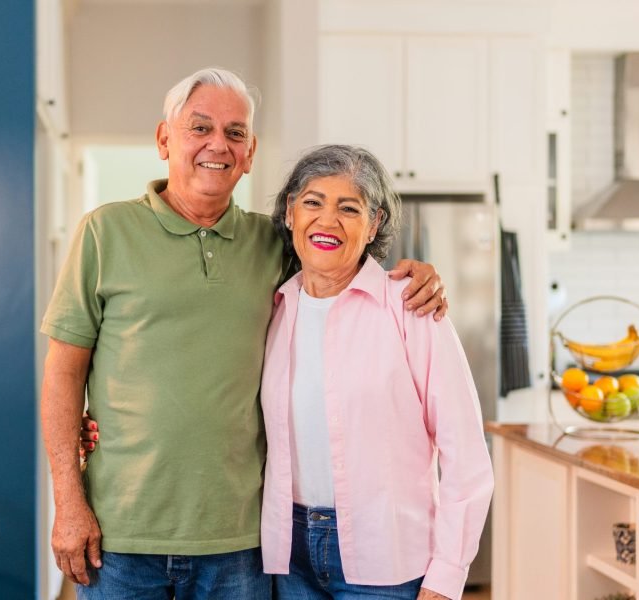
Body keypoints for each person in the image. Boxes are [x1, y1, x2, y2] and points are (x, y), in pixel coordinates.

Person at [40, 67, 449, 600]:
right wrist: (68, 503)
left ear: (251, 152)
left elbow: (337, 259)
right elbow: (63, 372)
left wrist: (417, 274)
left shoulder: (272, 243)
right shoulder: (104, 232)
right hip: (120, 536)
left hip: (241, 539)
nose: (218, 145)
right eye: (200, 128)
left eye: (235, 133)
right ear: (164, 139)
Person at [261, 145, 493, 600]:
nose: (327, 221)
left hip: (386, 557)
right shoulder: (274, 307)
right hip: (288, 558)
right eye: (312, 202)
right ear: (290, 213)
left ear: (375, 224)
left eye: (349, 208)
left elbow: (466, 456)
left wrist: (446, 577)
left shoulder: (410, 307)